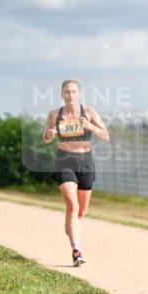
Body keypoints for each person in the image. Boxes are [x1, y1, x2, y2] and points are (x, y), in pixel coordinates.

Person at [43, 79, 110, 266]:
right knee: (72, 206)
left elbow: (106, 136)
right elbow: (47, 137)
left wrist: (90, 127)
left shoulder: (89, 112)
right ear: (62, 95)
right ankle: (76, 251)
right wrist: (49, 135)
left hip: (86, 161)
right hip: (65, 160)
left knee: (81, 210)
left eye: (73, 91)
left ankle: (71, 226)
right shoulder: (55, 114)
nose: (70, 95)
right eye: (66, 92)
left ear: (79, 94)